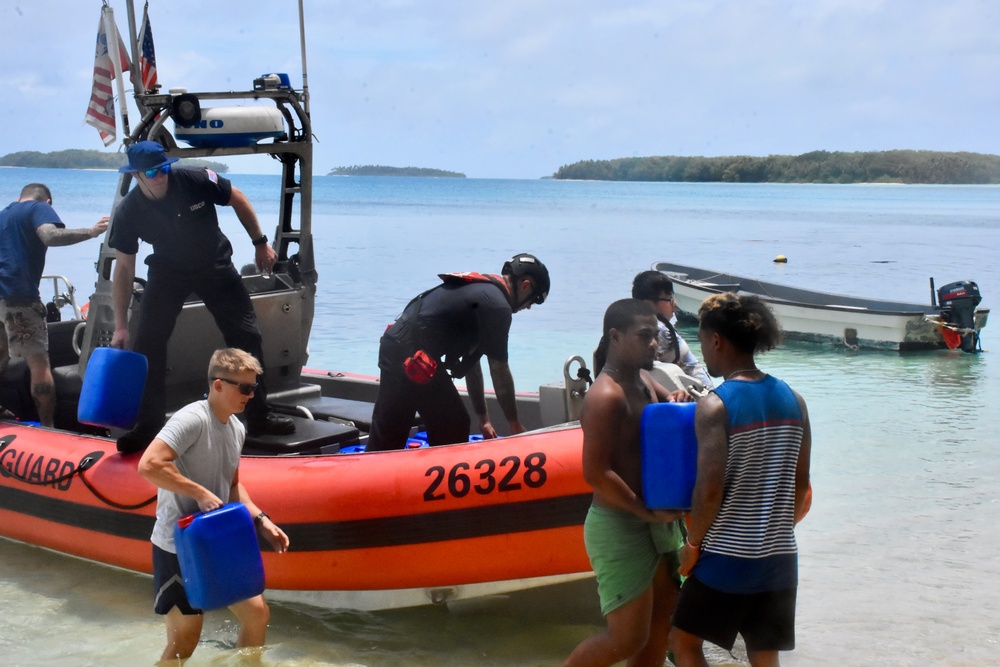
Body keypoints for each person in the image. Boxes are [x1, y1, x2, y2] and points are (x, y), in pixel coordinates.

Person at [109, 140, 294, 453]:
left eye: (164, 167)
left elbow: (236, 197)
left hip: (214, 264)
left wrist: (260, 242)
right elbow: (124, 269)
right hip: (168, 271)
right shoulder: (129, 210)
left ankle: (259, 415)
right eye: (152, 171)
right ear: (137, 175)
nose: (160, 175)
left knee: (246, 334)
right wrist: (119, 325)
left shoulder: (194, 178)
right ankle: (148, 425)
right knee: (147, 344)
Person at [670, 293, 812, 667]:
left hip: (727, 560)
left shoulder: (716, 405)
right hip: (780, 559)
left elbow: (710, 489)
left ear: (716, 340)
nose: (704, 352)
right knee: (764, 655)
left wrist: (693, 544)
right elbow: (801, 486)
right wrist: (772, 530)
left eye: (702, 342)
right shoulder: (794, 400)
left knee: (682, 642)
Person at [137, 347, 290, 662]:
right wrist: (199, 493)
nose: (250, 395)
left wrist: (262, 520)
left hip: (216, 543)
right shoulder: (192, 419)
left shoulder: (236, 428)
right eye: (244, 387)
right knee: (184, 643)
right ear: (218, 385)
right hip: (178, 547)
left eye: (254, 387)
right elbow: (149, 465)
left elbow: (233, 487)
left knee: (257, 613)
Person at [564, 298, 693, 667]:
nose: (654, 344)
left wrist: (678, 399)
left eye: (656, 335)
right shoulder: (606, 396)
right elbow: (596, 473)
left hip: (655, 519)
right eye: (644, 336)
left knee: (660, 624)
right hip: (621, 522)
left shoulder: (643, 378)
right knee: (626, 638)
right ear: (616, 337)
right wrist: (646, 512)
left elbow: (669, 414)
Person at [366, 253, 550, 451]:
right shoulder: (498, 307)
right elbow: (499, 370)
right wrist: (514, 424)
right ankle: (438, 478)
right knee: (453, 423)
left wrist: (484, 419)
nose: (529, 307)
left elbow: (471, 366)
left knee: (391, 430)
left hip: (395, 345)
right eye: (533, 300)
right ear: (525, 285)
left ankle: (376, 474)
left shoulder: (483, 291)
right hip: (412, 354)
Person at [0, 183, 108, 427]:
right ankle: (48, 426)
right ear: (48, 201)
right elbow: (50, 235)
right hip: (20, 298)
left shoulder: (4, 214)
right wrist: (90, 232)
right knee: (39, 364)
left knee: (1, 353)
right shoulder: (38, 207)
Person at [631, 270, 713, 389]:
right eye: (669, 299)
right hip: (695, 396)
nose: (674, 304)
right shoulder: (659, 331)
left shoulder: (630, 329)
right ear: (648, 303)